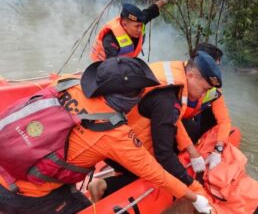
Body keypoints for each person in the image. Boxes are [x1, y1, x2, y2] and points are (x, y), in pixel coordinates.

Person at [0, 57, 212, 214]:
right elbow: (157, 173)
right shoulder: (113, 133)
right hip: (25, 195)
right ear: (130, 100)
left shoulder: (68, 83)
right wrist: (195, 197)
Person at [88, 52, 221, 203]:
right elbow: (164, 155)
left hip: (110, 131)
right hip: (116, 145)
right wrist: (193, 187)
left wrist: (192, 151)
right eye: (204, 89)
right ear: (190, 75)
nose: (203, 95)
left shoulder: (172, 75)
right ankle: (103, 185)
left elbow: (174, 121)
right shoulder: (167, 101)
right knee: (154, 171)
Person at [183, 43, 232, 171]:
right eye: (214, 65)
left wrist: (218, 149)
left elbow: (224, 120)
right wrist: (191, 151)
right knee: (190, 126)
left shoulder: (212, 89)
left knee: (211, 116)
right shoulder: (181, 78)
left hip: (186, 120)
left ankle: (197, 145)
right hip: (169, 123)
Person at [90, 0, 171, 61]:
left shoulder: (138, 21)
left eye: (141, 25)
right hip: (102, 66)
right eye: (137, 27)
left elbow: (151, 11)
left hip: (125, 61)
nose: (140, 29)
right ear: (125, 25)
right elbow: (112, 67)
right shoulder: (111, 39)